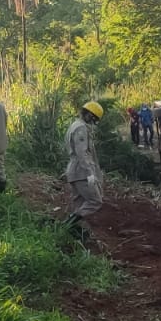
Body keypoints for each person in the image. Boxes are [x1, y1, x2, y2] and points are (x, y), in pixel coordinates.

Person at [62, 101, 104, 235]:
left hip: (75, 171)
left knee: (79, 204)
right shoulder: (81, 128)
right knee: (95, 201)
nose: (93, 123)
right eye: (94, 119)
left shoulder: (75, 125)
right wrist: (90, 173)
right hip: (81, 171)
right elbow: (82, 153)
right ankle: (67, 223)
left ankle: (69, 232)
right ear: (90, 115)